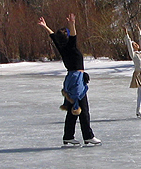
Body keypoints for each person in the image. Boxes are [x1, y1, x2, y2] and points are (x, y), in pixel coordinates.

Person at [38, 13, 101, 146]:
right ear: (66, 37)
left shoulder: (62, 47)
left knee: (73, 109)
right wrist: (72, 23)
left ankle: (68, 136)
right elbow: (73, 35)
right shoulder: (70, 46)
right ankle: (88, 136)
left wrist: (45, 26)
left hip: (72, 79)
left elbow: (53, 36)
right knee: (83, 109)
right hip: (76, 80)